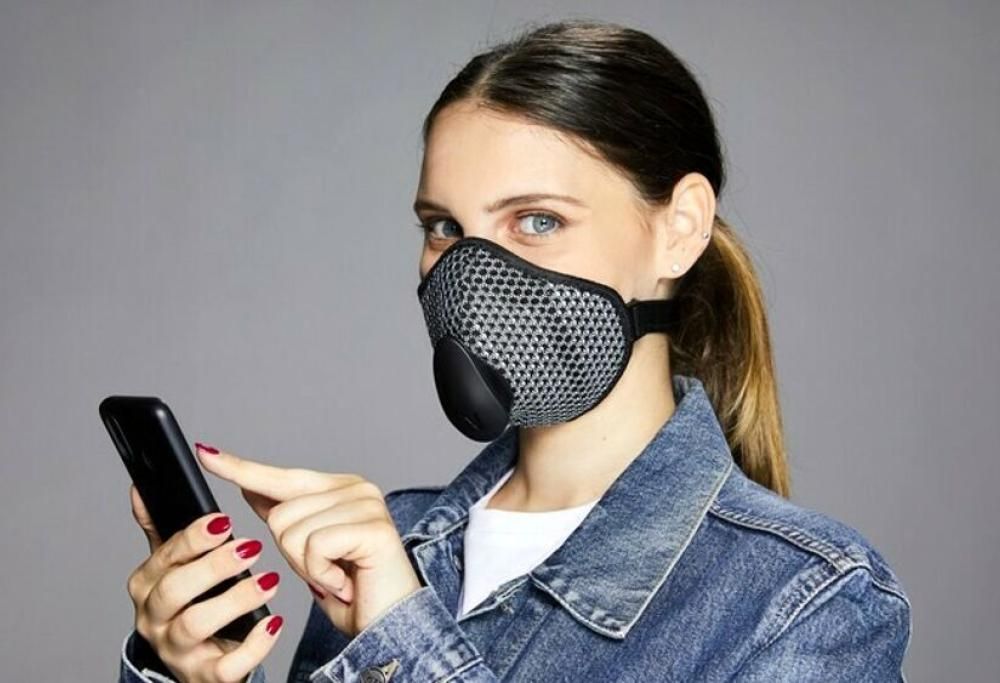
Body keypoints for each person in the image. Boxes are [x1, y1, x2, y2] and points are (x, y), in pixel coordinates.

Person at [118, 18, 912, 683]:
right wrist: (186, 672)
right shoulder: (392, 540)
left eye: (537, 220)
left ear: (681, 228)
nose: (471, 276)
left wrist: (403, 636)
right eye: (444, 227)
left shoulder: (809, 603)